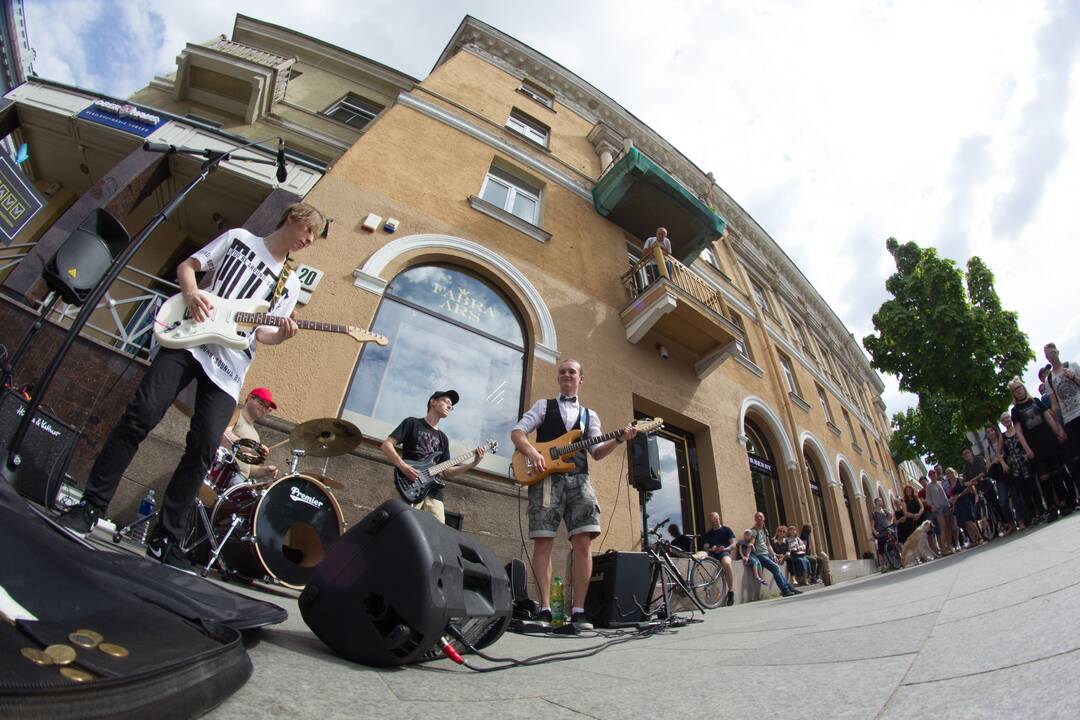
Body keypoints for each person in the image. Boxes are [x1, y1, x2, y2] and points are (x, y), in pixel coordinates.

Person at [57, 203, 325, 570]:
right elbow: (188, 267)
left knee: (201, 451)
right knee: (140, 415)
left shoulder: (289, 283)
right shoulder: (239, 239)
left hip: (229, 369)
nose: (310, 240)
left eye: (314, 237)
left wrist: (282, 334)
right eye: (309, 231)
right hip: (187, 342)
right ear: (293, 219)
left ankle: (165, 539)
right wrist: (193, 293)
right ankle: (91, 506)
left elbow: (262, 332)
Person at [511, 358, 637, 631]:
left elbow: (597, 452)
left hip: (579, 479)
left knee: (583, 542)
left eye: (573, 371)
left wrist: (619, 438)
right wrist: (532, 453)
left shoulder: (590, 415)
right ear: (559, 378)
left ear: (581, 379)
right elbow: (518, 432)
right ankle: (545, 608)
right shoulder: (543, 406)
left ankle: (579, 611)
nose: (567, 374)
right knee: (543, 542)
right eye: (563, 371)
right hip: (546, 480)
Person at [381, 390, 485, 524]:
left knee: (437, 534)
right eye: (446, 401)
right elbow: (386, 445)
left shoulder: (443, 438)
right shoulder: (411, 423)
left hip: (434, 493)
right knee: (400, 525)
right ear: (433, 402)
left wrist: (472, 464)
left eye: (451, 406)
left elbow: (446, 471)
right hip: (410, 485)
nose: (449, 406)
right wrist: (403, 466)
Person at [1009, 377, 1069, 519]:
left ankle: (1063, 503)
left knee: (1057, 473)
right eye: (1016, 389)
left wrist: (1058, 432)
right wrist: (1027, 449)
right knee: (1044, 478)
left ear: (1024, 388)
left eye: (1020, 387)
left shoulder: (1036, 401)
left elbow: (1048, 417)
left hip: (1048, 441)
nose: (1019, 390)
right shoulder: (1016, 411)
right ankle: (1052, 508)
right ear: (1014, 393)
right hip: (1034, 447)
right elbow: (1019, 432)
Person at [1044, 342, 1080, 506]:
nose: (1051, 356)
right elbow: (1055, 405)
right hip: (1069, 418)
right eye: (1047, 354)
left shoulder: (1072, 366)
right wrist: (1059, 427)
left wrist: (1072, 376)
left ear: (1057, 352)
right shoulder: (1049, 379)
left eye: (1052, 352)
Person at [221, 387, 280, 482]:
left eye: (266, 407)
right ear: (249, 398)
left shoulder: (255, 435)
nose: (263, 409)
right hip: (224, 472)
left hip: (240, 480)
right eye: (261, 403)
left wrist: (265, 471)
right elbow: (224, 435)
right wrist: (253, 447)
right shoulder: (236, 413)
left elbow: (248, 468)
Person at [748, 512, 800, 597]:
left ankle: (790, 589)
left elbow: (768, 545)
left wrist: (774, 555)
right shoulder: (754, 531)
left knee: (777, 569)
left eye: (761, 517)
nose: (759, 518)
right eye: (757, 517)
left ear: (764, 518)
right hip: (760, 555)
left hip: (767, 554)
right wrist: (747, 555)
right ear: (755, 519)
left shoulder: (765, 530)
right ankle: (785, 590)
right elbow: (752, 542)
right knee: (776, 568)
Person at [1002, 411, 1040, 525]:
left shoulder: (1018, 430)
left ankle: (1041, 511)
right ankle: (1032, 515)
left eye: (1008, 418)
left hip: (1025, 462)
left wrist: (1027, 452)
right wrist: (1004, 463)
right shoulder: (1003, 436)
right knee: (1024, 492)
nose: (1007, 421)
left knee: (1033, 488)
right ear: (1002, 423)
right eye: (1004, 420)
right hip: (1015, 467)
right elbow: (999, 453)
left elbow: (1026, 441)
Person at [701, 511, 736, 606]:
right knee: (701, 559)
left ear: (719, 519)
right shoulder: (709, 534)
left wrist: (726, 548)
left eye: (715, 521)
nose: (714, 523)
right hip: (712, 553)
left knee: (727, 563)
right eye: (712, 522)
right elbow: (705, 547)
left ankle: (731, 591)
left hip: (724, 552)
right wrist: (710, 548)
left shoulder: (727, 530)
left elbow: (733, 544)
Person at [925, 469, 955, 556]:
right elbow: (928, 499)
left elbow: (946, 494)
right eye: (930, 475)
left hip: (946, 506)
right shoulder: (929, 486)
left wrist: (950, 502)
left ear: (936, 474)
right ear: (929, 477)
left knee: (949, 527)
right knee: (943, 528)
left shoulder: (940, 483)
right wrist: (932, 506)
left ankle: (949, 546)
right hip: (938, 509)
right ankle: (943, 549)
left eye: (933, 474)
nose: (932, 476)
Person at [870, 497, 896, 568]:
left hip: (886, 531)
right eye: (880, 501)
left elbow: (891, 516)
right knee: (881, 551)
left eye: (881, 501)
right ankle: (883, 567)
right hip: (880, 534)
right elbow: (872, 525)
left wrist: (889, 522)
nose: (881, 502)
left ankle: (892, 563)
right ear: (876, 503)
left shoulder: (884, 511)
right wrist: (875, 533)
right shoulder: (874, 513)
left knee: (890, 548)